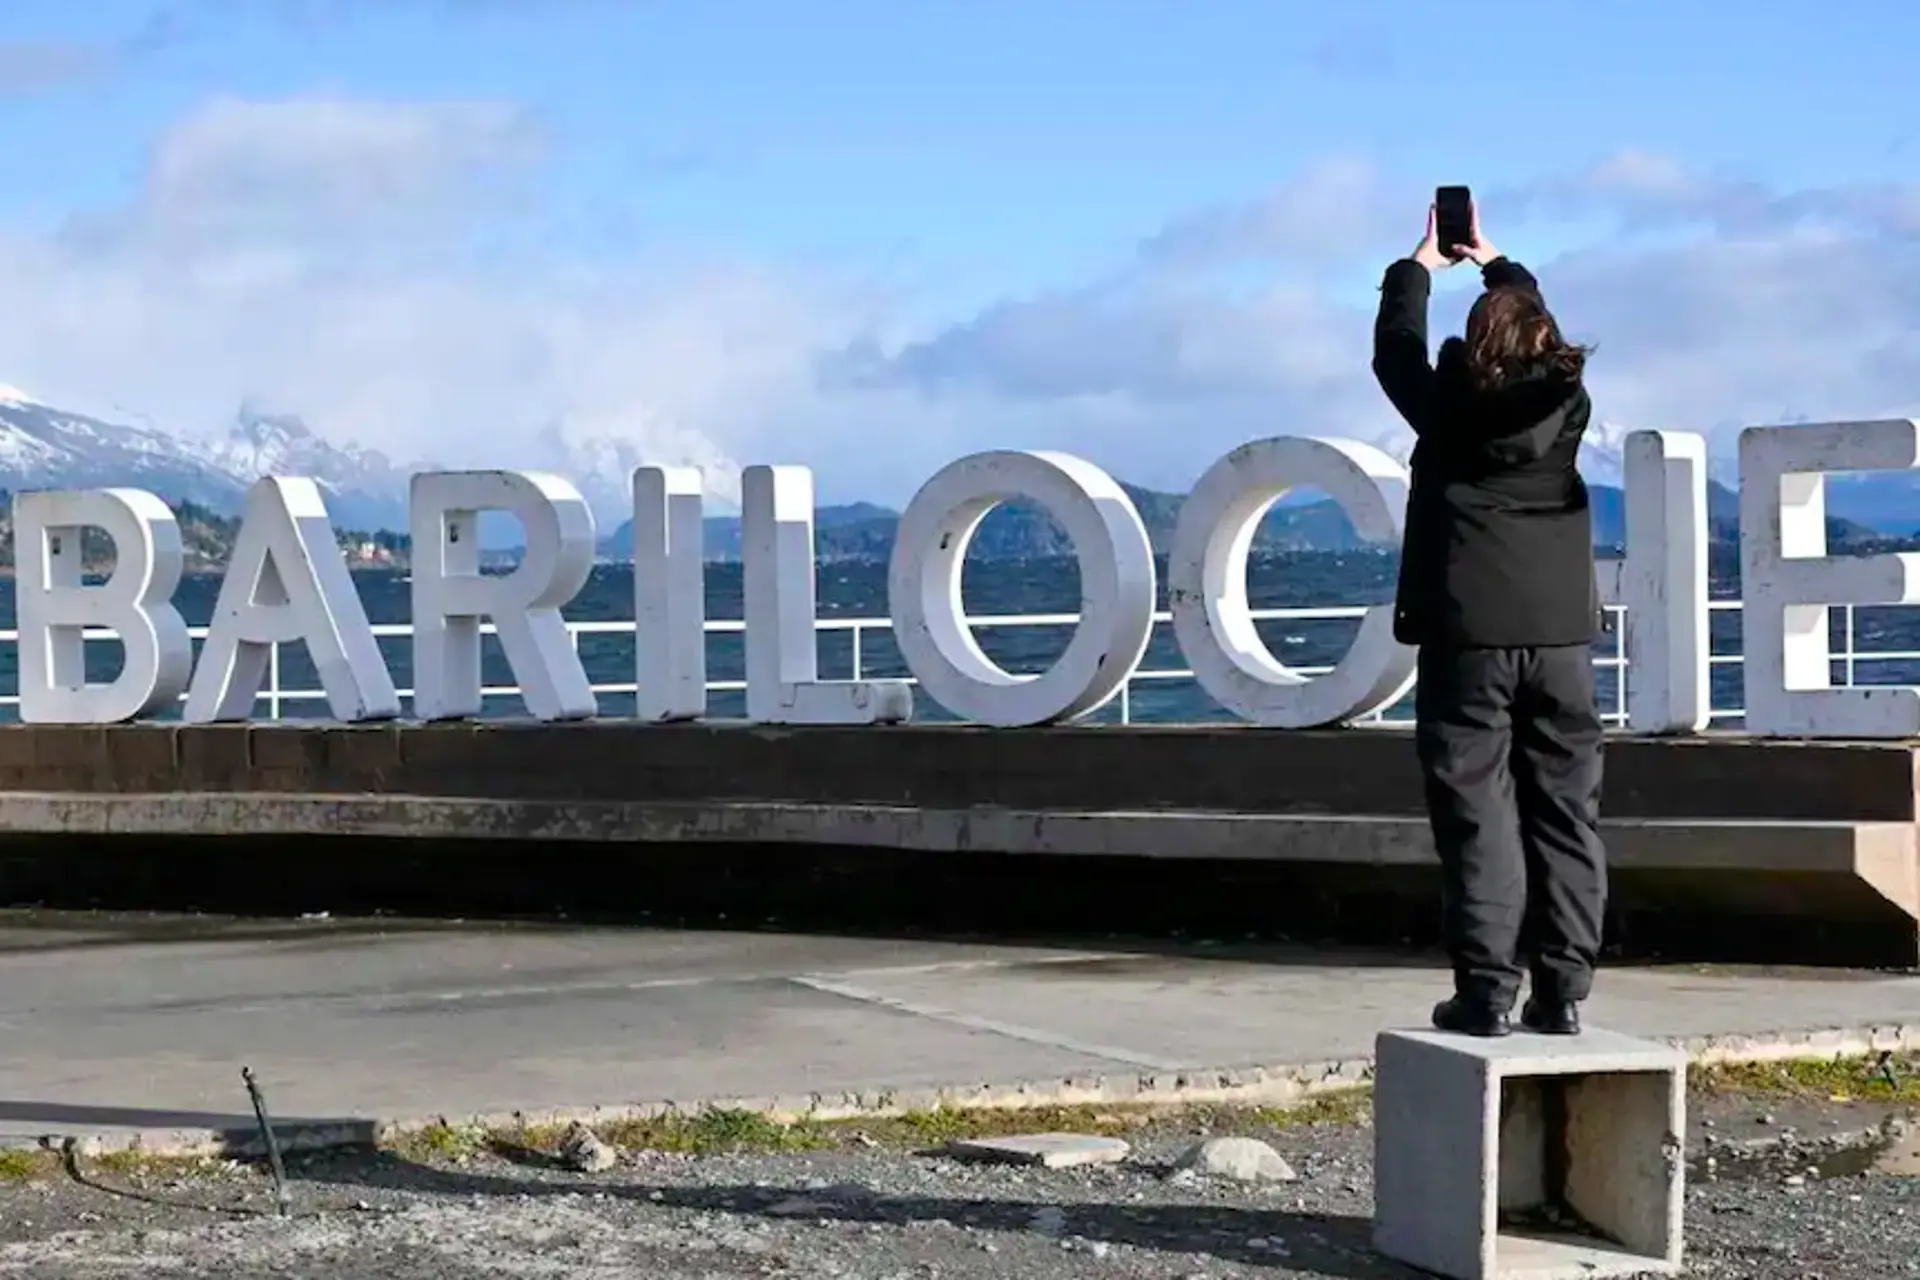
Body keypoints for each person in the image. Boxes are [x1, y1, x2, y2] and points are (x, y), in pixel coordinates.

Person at [1371, 199, 1607, 1039]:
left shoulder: (1447, 408)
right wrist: (1503, 267)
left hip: (1468, 637)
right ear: (1548, 340)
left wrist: (1420, 267)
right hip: (1561, 639)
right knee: (1566, 813)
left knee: (1478, 815)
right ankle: (1565, 993)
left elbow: (1394, 347)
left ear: (1476, 348)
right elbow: (1542, 344)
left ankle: (1486, 993)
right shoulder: (1568, 407)